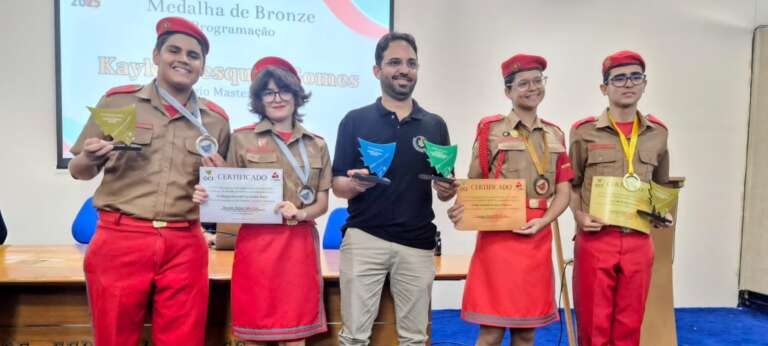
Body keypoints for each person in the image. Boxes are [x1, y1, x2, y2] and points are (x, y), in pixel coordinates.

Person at [68, 16, 230, 345]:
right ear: (156, 56)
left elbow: (215, 192)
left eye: (193, 55)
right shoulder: (118, 101)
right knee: (115, 338)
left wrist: (219, 183)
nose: (183, 59)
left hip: (185, 242)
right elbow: (79, 170)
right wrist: (90, 157)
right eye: (174, 50)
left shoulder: (216, 120)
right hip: (121, 238)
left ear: (202, 67)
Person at [331, 32, 458, 346]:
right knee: (354, 338)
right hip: (364, 239)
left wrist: (447, 189)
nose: (404, 69)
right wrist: (355, 184)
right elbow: (337, 185)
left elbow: (444, 188)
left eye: (411, 63)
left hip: (417, 243)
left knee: (414, 339)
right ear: (377, 70)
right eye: (395, 62)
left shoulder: (434, 124)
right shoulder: (354, 120)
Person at [193, 56, 330, 345]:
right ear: (259, 99)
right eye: (268, 92)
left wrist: (301, 214)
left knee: (295, 337)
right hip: (256, 246)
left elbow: (321, 202)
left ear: (296, 95)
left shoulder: (316, 144)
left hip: (298, 246)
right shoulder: (241, 139)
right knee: (254, 333)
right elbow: (226, 193)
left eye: (284, 91)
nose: (277, 98)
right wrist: (207, 193)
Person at [446, 54, 574, 346]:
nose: (532, 88)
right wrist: (463, 210)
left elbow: (563, 192)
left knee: (526, 332)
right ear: (508, 91)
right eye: (523, 83)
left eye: (537, 81)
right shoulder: (490, 130)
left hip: (536, 239)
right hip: (499, 239)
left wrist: (544, 221)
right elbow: (474, 183)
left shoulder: (555, 134)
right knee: (491, 332)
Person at [569, 50, 672, 346]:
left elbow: (661, 185)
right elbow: (572, 184)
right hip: (597, 238)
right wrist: (578, 216)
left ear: (644, 83)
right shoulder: (584, 131)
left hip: (639, 240)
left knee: (630, 325)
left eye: (635, 77)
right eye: (619, 78)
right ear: (605, 88)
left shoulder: (659, 133)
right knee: (594, 324)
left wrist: (662, 212)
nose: (628, 84)